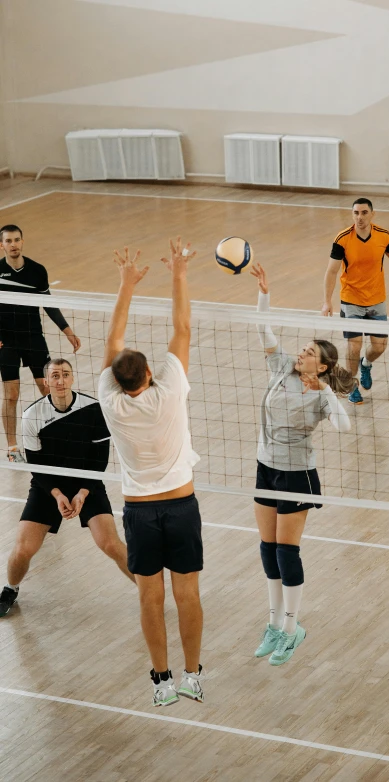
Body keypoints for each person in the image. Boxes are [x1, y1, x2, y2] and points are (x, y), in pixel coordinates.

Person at [98, 238, 204, 708]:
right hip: (181, 506)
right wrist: (178, 273)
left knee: (149, 598)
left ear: (118, 380)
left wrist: (125, 285)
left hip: (139, 513)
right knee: (187, 594)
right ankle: (192, 676)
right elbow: (181, 326)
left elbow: (111, 343)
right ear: (150, 374)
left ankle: (161, 681)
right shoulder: (171, 391)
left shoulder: (110, 401)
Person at [251, 262, 352, 666]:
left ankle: (293, 629)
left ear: (322, 366)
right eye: (304, 348)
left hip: (296, 475)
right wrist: (264, 292)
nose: (301, 353)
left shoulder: (320, 393)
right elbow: (263, 329)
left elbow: (344, 427)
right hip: (265, 468)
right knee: (267, 548)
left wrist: (326, 392)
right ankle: (274, 623)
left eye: (309, 352)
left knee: (287, 553)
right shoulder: (281, 369)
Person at [0, 357, 133, 618]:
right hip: (47, 484)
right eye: (55, 376)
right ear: (46, 381)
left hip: (87, 482)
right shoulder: (31, 415)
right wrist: (58, 494)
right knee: (23, 548)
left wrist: (83, 492)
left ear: (72, 378)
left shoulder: (94, 409)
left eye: (65, 375)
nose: (61, 381)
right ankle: (10, 588)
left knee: (110, 543)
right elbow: (37, 466)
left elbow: (99, 460)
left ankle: (148, 589)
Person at [321, 198, 389, 404]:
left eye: (363, 213)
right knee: (354, 346)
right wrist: (327, 301)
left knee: (379, 347)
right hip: (351, 300)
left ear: (372, 214)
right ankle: (352, 386)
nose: (359, 217)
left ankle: (366, 364)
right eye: (356, 213)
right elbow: (331, 271)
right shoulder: (342, 239)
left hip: (376, 300)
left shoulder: (383, 236)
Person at [0, 224, 81, 461]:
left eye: (17, 240)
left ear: (22, 242)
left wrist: (67, 330)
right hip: (6, 342)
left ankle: (55, 439)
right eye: (8, 241)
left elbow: (48, 302)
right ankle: (13, 448)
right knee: (11, 395)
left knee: (49, 389)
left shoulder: (37, 270)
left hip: (33, 337)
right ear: (2, 245)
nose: (13, 244)